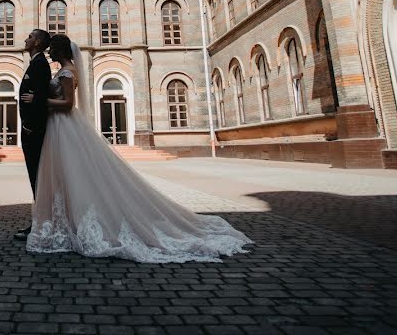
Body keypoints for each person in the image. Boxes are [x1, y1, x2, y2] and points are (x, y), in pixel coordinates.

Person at [20, 34, 252, 263]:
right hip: (59, 128)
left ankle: (74, 221)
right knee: (67, 175)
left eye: (52, 49)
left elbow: (69, 104)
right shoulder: (64, 69)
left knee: (73, 174)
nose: (49, 52)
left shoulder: (68, 72)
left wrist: (40, 101)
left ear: (60, 51)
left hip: (65, 126)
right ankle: (68, 220)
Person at [14, 28, 52, 241]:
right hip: (31, 130)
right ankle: (40, 221)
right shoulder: (36, 63)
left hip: (33, 132)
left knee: (37, 179)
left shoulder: (39, 65)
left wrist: (30, 126)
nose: (26, 39)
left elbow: (41, 96)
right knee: (36, 179)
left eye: (29, 36)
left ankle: (39, 224)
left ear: (37, 42)